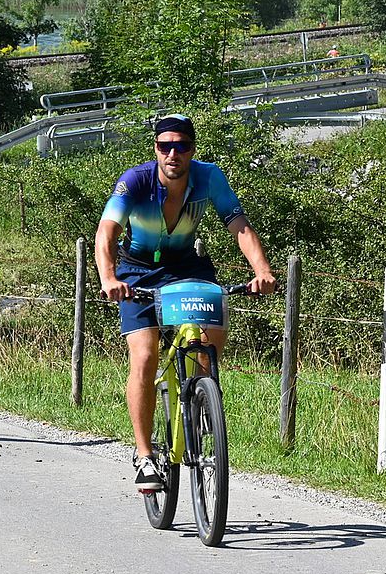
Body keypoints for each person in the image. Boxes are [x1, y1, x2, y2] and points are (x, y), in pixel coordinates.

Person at [95, 114, 276, 492]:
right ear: (156, 149)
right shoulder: (135, 182)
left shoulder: (209, 177)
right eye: (165, 146)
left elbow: (238, 225)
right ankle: (144, 454)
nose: (173, 153)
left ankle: (200, 395)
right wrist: (109, 278)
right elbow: (107, 231)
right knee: (144, 356)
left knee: (209, 336)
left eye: (182, 146)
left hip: (187, 267)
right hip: (137, 272)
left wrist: (262, 270)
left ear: (193, 150)